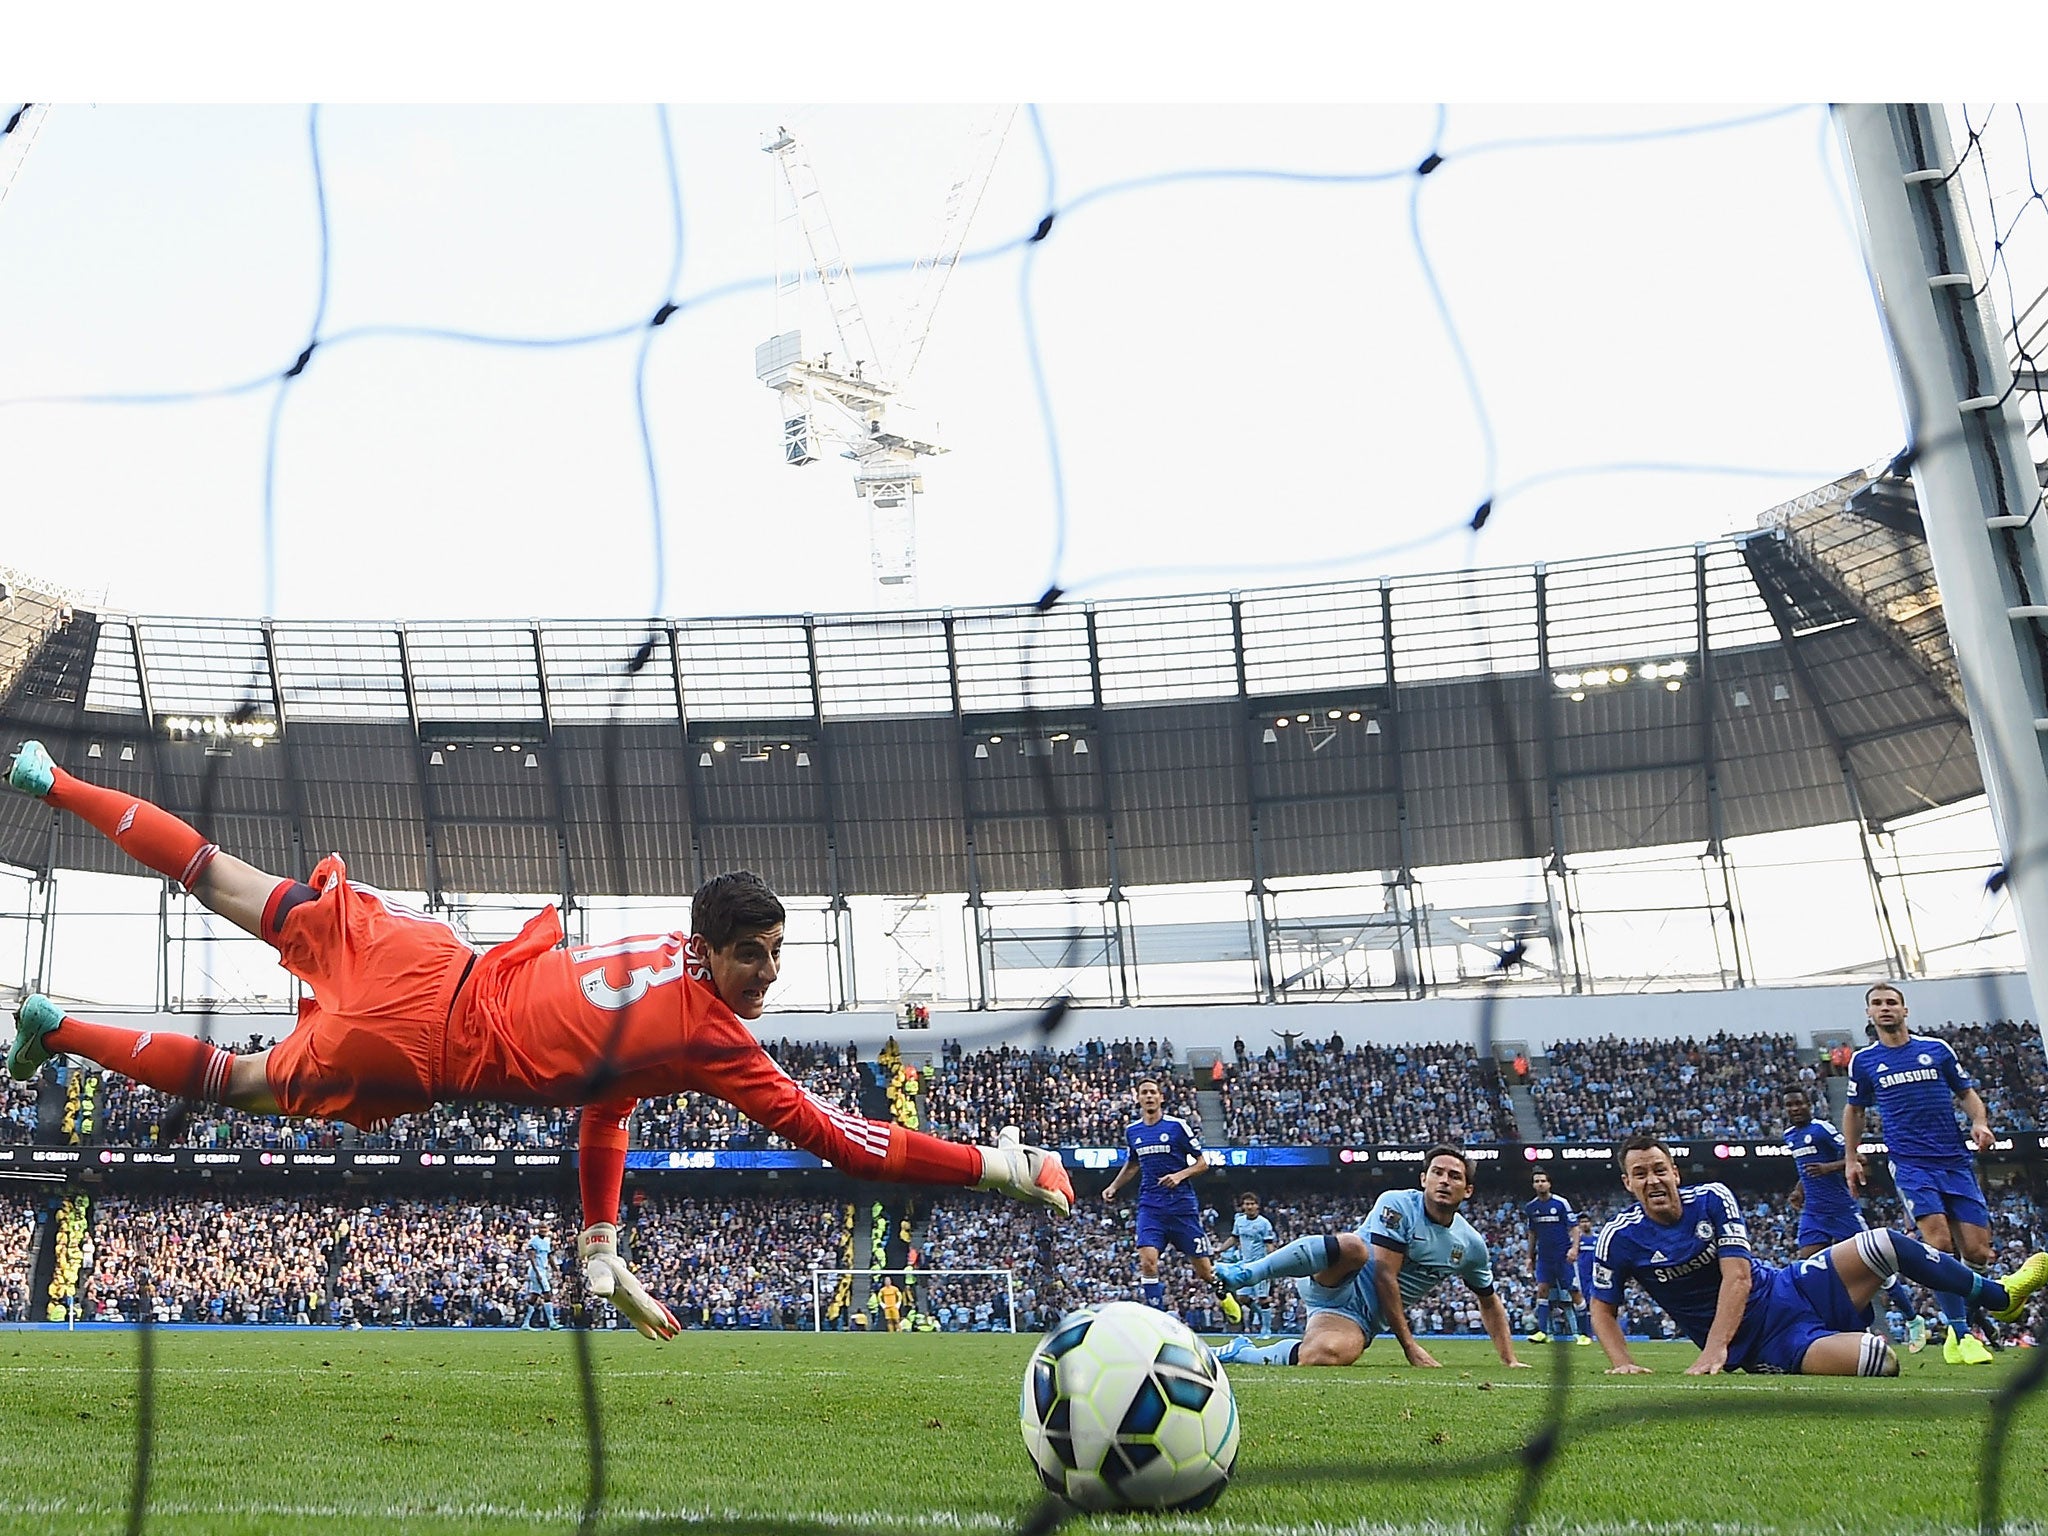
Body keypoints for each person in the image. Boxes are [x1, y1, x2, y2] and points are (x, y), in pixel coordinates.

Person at [4, 740, 1073, 1342]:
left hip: (423, 956)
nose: (772, 973)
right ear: (714, 949)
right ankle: (61, 1034)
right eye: (759, 955)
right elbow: (840, 1141)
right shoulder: (710, 1038)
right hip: (420, 1047)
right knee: (238, 1081)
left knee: (222, 876)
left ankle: (52, 784)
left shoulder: (665, 952)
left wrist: (600, 1247)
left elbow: (609, 1099)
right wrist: (999, 1164)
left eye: (778, 954)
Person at [1589, 1132, 2046, 1377]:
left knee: (1885, 1242)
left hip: (1788, 1287)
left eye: (1660, 1170)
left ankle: (1998, 1296)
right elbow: (1602, 1309)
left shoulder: (1713, 1197)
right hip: (1765, 1342)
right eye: (1640, 1174)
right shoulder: (1619, 1237)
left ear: (1676, 1172)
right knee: (1878, 1360)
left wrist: (1713, 1350)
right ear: (1628, 1184)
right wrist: (1621, 1360)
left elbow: (1739, 1279)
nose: (1653, 1181)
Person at [1211, 1144, 1528, 1370]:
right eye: (1437, 1173)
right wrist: (1409, 1346)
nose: (1444, 1181)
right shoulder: (1397, 1204)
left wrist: (1509, 1358)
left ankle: (1242, 1351)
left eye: (1454, 1176)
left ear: (1468, 1190)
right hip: (1337, 1279)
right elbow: (1384, 1275)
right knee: (1355, 1247)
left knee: (1325, 1355)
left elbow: (1489, 1300)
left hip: (1358, 1317)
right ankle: (1245, 1273)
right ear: (1423, 1179)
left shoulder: (1470, 1244)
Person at [1840, 983, 2000, 1365]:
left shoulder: (1936, 1050)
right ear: (1869, 1014)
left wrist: (1980, 1122)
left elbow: (1966, 1092)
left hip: (1954, 1160)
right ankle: (1961, 1335)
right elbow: (1855, 1111)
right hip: (1911, 1163)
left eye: (1891, 1002)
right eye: (1876, 1004)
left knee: (1978, 1251)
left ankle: (1965, 1312)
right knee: (1939, 1244)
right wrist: (1851, 1156)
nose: (1885, 1009)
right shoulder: (1864, 1061)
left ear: (1905, 1010)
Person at [1781, 1084, 1923, 1351]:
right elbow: (1805, 1169)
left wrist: (1828, 1167)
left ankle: (1912, 1318)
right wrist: (1798, 1190)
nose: (1795, 1109)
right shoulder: (1789, 1136)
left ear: (1809, 1105)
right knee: (1805, 1268)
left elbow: (1860, 1158)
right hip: (1814, 1213)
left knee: (1877, 1262)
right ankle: (1820, 1327)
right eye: (1789, 1105)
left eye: (1799, 1103)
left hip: (1842, 1211)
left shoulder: (1822, 1130)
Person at [1100, 1079, 1241, 1325]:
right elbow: (1133, 1164)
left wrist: (1179, 1175)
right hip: (1151, 1206)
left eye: (1153, 1092)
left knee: (1205, 1272)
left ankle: (1223, 1292)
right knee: (1148, 1261)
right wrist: (1113, 1186)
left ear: (1161, 1097)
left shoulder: (1177, 1127)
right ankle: (1158, 1319)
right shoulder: (1133, 1131)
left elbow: (1202, 1162)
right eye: (1144, 1092)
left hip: (1182, 1208)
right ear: (1139, 1099)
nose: (1149, 1096)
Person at [1520, 1168, 1587, 1345]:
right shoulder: (1531, 1207)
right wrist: (1529, 1257)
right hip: (1544, 1257)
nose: (1540, 1184)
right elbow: (1532, 1233)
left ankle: (1584, 1333)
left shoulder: (1560, 1203)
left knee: (1573, 1291)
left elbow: (1573, 1227)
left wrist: (1574, 1248)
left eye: (1543, 1180)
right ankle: (1543, 1332)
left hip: (1563, 1256)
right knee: (1542, 1290)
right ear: (1533, 1185)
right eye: (1536, 1181)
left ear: (1549, 1183)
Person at [1226, 1191, 1278, 1334]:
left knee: (1263, 1298)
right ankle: (1262, 1315)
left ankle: (1266, 1329)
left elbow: (1269, 1245)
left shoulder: (1263, 1223)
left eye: (1252, 1204)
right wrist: (1219, 1249)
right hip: (1245, 1264)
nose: (1249, 1207)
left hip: (1260, 1265)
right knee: (1242, 1297)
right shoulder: (1239, 1221)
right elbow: (1233, 1238)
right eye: (1246, 1204)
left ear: (1257, 1206)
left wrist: (1272, 1264)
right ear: (1242, 1206)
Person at [520, 1229, 561, 1331]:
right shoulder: (534, 1241)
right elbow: (532, 1257)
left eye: (545, 1230)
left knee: (534, 1296)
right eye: (542, 1229)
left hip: (543, 1270)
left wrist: (555, 1269)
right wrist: (537, 1272)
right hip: (536, 1271)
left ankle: (525, 1323)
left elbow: (549, 1256)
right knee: (547, 1294)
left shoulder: (547, 1241)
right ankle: (552, 1322)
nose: (544, 1231)